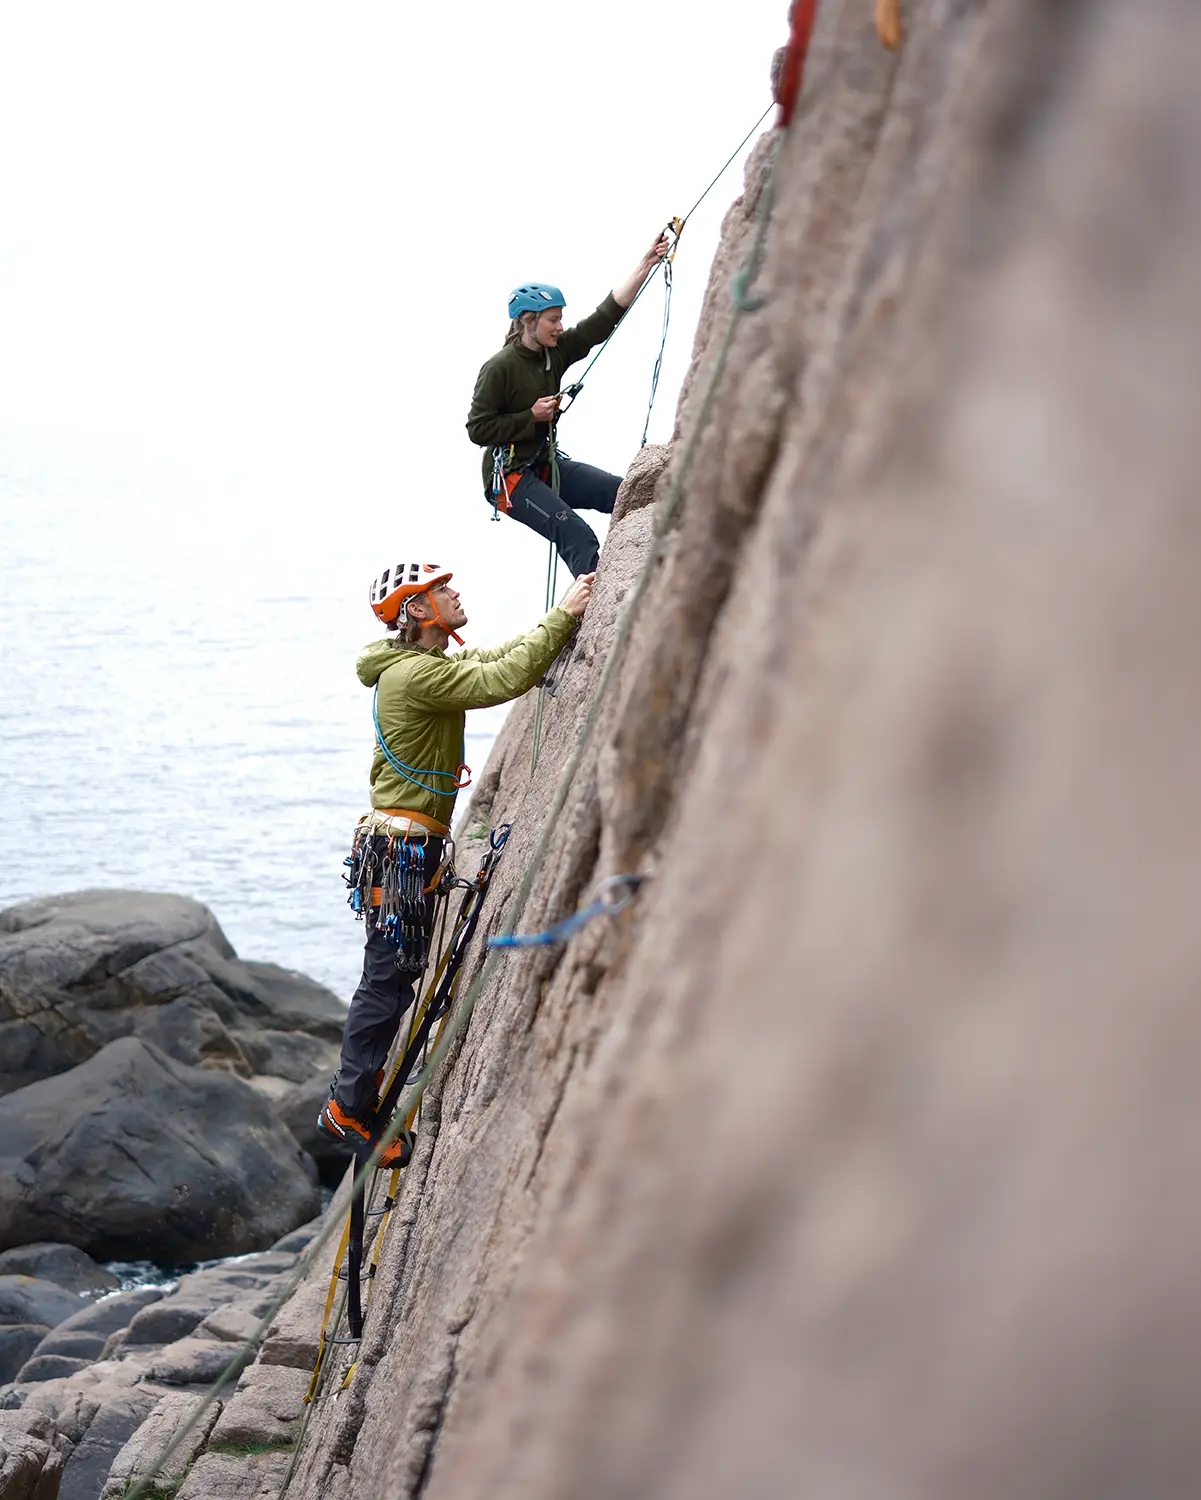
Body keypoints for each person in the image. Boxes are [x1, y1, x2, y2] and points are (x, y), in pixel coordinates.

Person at [318, 559, 594, 1164]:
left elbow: (488, 660)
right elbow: (500, 682)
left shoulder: (424, 666)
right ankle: (348, 1107)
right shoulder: (413, 677)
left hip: (405, 845)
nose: (455, 592)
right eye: (442, 590)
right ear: (419, 611)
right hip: (401, 849)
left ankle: (356, 1099)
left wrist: (557, 619)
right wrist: (565, 618)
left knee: (393, 974)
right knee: (387, 978)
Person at [465, 232, 671, 578]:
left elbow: (602, 320)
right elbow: (478, 429)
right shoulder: (500, 367)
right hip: (510, 476)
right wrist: (530, 416)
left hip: (544, 464)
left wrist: (645, 265)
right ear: (528, 321)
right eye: (553, 320)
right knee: (576, 534)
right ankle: (584, 618)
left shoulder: (554, 353)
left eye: (560, 319)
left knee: (622, 492)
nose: (560, 327)